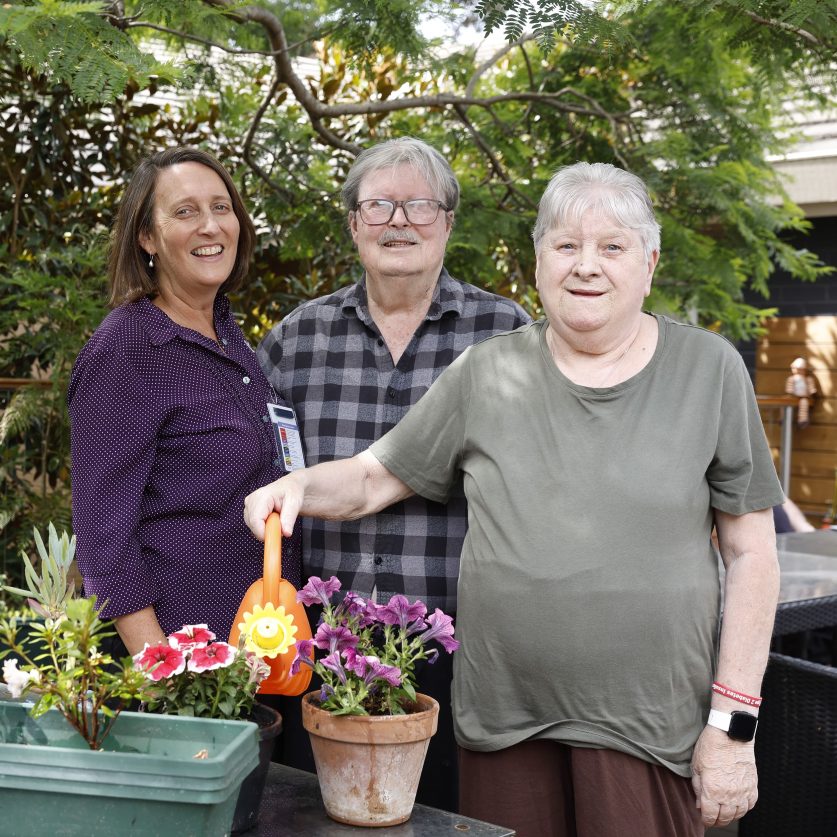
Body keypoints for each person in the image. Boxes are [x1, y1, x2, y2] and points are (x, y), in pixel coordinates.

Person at [245, 162, 784, 836]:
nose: (586, 265)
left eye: (610, 247)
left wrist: (732, 728)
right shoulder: (487, 370)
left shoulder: (708, 370)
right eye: (565, 246)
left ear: (648, 263)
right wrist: (296, 485)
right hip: (503, 727)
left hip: (649, 730)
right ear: (537, 264)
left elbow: (751, 553)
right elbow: (371, 478)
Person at [256, 136, 531, 811]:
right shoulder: (295, 339)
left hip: (454, 645)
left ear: (448, 223)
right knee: (313, 817)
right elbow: (265, 481)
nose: (398, 221)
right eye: (378, 205)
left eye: (418, 205)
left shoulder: (508, 336)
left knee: (440, 816)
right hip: (317, 645)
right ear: (353, 224)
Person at [69, 147, 301, 656]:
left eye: (222, 208)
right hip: (190, 664)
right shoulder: (127, 349)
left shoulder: (227, 333)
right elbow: (103, 535)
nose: (211, 226)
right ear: (147, 237)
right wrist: (163, 672)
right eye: (185, 211)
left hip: (260, 648)